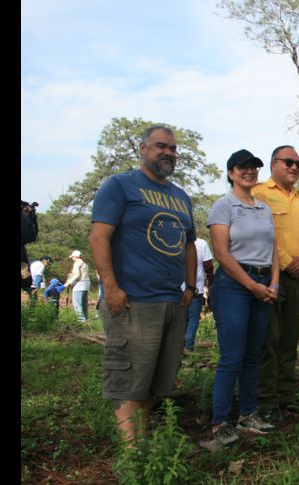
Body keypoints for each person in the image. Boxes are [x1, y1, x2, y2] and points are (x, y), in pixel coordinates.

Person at [89, 125, 197, 445]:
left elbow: (189, 244)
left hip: (171, 302)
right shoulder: (120, 186)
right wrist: (111, 287)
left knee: (154, 382)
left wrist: (190, 287)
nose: (169, 153)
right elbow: (99, 236)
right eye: (161, 146)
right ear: (142, 149)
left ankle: (143, 443)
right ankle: (132, 457)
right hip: (134, 301)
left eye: (174, 149)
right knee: (129, 382)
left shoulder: (180, 196)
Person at [206, 149, 280, 448]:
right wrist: (252, 285)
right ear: (231, 173)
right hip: (235, 286)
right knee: (232, 357)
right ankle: (219, 422)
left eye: (253, 168)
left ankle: (248, 414)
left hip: (264, 285)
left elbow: (274, 249)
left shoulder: (263, 208)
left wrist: (273, 283)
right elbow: (222, 254)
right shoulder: (223, 206)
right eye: (242, 168)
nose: (249, 172)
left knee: (253, 355)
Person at [252, 145, 299, 424]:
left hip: (297, 277)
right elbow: (261, 234)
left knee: (290, 340)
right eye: (288, 162)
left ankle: (285, 396)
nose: (294, 167)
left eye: (298, 164)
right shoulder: (259, 193)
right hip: (270, 276)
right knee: (269, 340)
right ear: (273, 164)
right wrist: (286, 259)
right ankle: (266, 401)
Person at [184, 235, 214, 353]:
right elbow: (209, 266)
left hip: (177, 288)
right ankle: (189, 344)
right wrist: (210, 282)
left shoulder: (175, 242)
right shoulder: (201, 244)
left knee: (181, 317)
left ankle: (179, 345)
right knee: (193, 317)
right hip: (196, 288)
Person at [63, 250, 91, 322]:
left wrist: (68, 282)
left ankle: (81, 320)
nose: (72, 258)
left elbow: (77, 275)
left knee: (77, 304)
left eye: (72, 257)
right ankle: (85, 318)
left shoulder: (77, 263)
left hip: (79, 285)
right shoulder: (84, 263)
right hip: (86, 284)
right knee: (84, 303)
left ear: (75, 257)